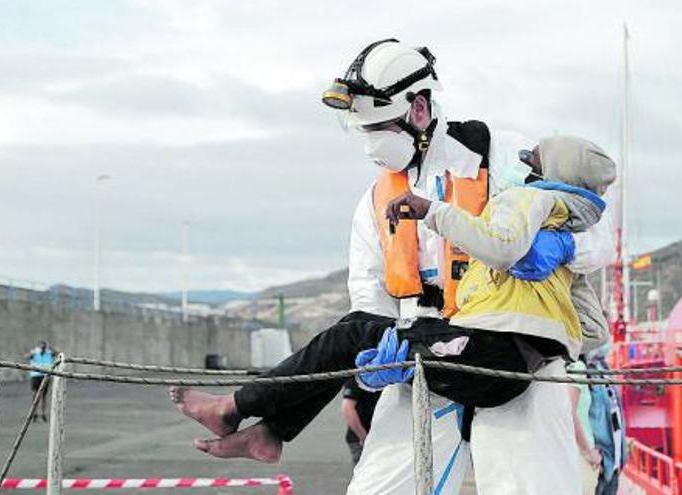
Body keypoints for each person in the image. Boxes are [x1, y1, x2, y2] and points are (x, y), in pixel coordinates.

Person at [170, 39, 614, 493]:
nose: (370, 143)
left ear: (418, 108)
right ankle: (265, 426)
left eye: (379, 127)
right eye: (362, 130)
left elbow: (593, 223)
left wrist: (561, 250)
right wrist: (375, 364)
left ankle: (253, 418)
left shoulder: (505, 157)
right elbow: (368, 299)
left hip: (519, 353)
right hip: (422, 352)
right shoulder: (374, 203)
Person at [586, 346, 627, 495]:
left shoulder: (603, 367)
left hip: (614, 462)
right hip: (599, 464)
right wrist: (589, 452)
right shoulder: (581, 370)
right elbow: (574, 414)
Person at [568, 358, 602, 495]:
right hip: (580, 454)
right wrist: (589, 452)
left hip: (565, 450)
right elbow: (569, 412)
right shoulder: (576, 367)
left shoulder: (549, 366)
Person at [340, 378, 381, 467]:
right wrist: (364, 437)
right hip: (362, 438)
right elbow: (347, 408)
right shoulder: (357, 378)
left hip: (376, 436)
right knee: (367, 472)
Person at [23, 340, 55, 422]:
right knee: (35, 395)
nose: (43, 348)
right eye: (41, 347)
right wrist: (32, 353)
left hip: (45, 375)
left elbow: (59, 354)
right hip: (35, 375)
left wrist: (52, 348)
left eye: (44, 346)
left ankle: (43, 413)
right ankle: (35, 413)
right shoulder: (35, 353)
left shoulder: (49, 353)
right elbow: (26, 356)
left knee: (44, 395)